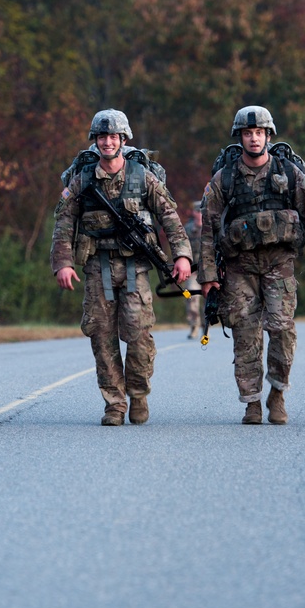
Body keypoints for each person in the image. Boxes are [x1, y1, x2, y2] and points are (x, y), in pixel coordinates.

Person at [51, 109, 193, 426]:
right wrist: (62, 263)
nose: (107, 142)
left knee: (139, 336)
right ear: (95, 141)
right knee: (102, 338)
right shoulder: (82, 181)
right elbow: (63, 225)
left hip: (136, 269)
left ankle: (138, 394)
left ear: (123, 140)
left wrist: (182, 255)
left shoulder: (143, 179)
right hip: (96, 268)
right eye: (102, 137)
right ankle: (114, 404)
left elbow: (170, 219)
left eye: (113, 137)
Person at [198, 106, 305, 425]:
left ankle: (277, 392)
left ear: (268, 136)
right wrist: (207, 274)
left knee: (282, 330)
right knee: (246, 335)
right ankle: (252, 403)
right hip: (240, 267)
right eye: (248, 133)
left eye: (259, 133)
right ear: (240, 137)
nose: (254, 138)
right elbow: (208, 227)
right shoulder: (225, 178)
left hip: (279, 265)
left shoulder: (289, 174)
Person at [184, 201, 204, 339]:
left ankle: (206, 327)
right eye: (197, 212)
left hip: (208, 271)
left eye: (202, 212)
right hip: (192, 272)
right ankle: (193, 326)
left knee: (209, 302)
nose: (200, 215)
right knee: (190, 297)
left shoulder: (210, 229)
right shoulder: (188, 229)